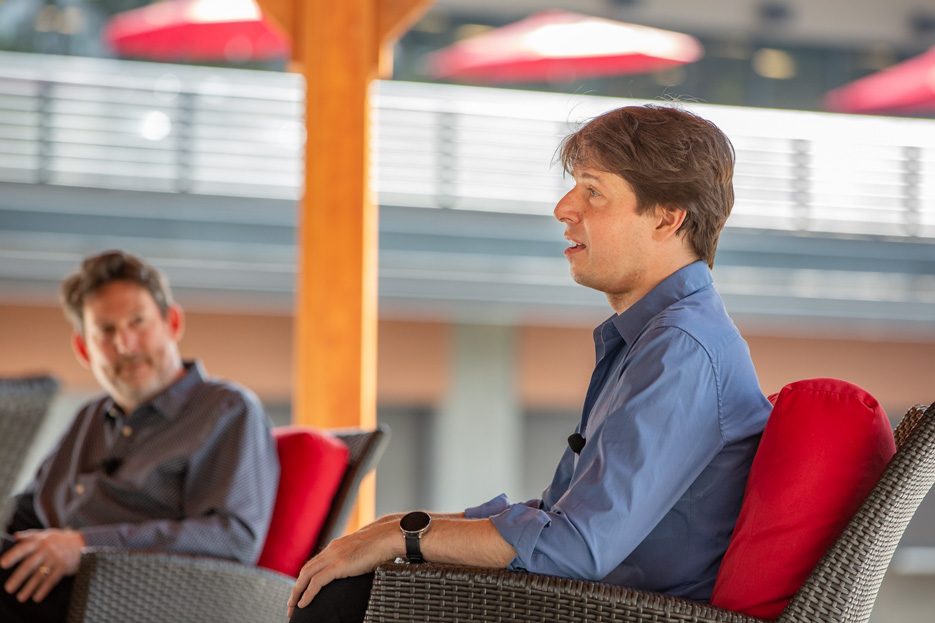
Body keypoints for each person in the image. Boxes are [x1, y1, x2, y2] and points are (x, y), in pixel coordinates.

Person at [286, 104, 773, 623]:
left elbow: (577, 547)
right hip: (587, 604)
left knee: (342, 598)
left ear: (667, 217)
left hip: (611, 611)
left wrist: (406, 536)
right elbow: (557, 514)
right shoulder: (658, 339)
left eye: (593, 190)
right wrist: (401, 526)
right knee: (350, 578)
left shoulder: (680, 349)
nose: (564, 208)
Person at [0, 250, 280, 623]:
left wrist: (85, 547)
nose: (126, 344)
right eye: (106, 331)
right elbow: (27, 511)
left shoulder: (227, 409)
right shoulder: (88, 417)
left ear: (172, 323)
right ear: (85, 348)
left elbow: (232, 537)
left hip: (125, 600)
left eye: (138, 322)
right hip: (42, 585)